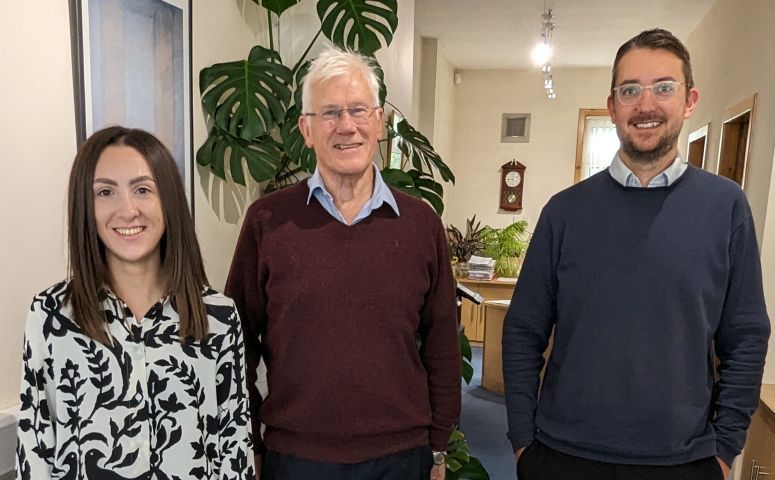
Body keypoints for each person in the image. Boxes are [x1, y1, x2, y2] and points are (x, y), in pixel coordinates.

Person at [503, 28, 770, 480]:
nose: (646, 105)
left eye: (664, 87)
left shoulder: (725, 208)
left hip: (683, 462)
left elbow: (746, 336)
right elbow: (523, 330)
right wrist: (522, 441)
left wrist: (725, 448)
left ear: (689, 101)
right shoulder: (564, 212)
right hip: (562, 456)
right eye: (630, 90)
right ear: (612, 106)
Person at [225, 46, 460, 480]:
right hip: (297, 457)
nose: (346, 126)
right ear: (306, 130)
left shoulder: (421, 224)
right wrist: (249, 442)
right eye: (329, 113)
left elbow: (443, 342)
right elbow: (238, 344)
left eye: (358, 110)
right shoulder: (268, 222)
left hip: (401, 456)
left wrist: (440, 448)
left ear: (379, 122)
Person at [16, 126, 255, 479]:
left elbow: (234, 450)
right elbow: (35, 448)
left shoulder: (217, 317)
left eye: (143, 189)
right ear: (85, 205)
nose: (127, 210)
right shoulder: (51, 315)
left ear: (168, 200)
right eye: (105, 192)